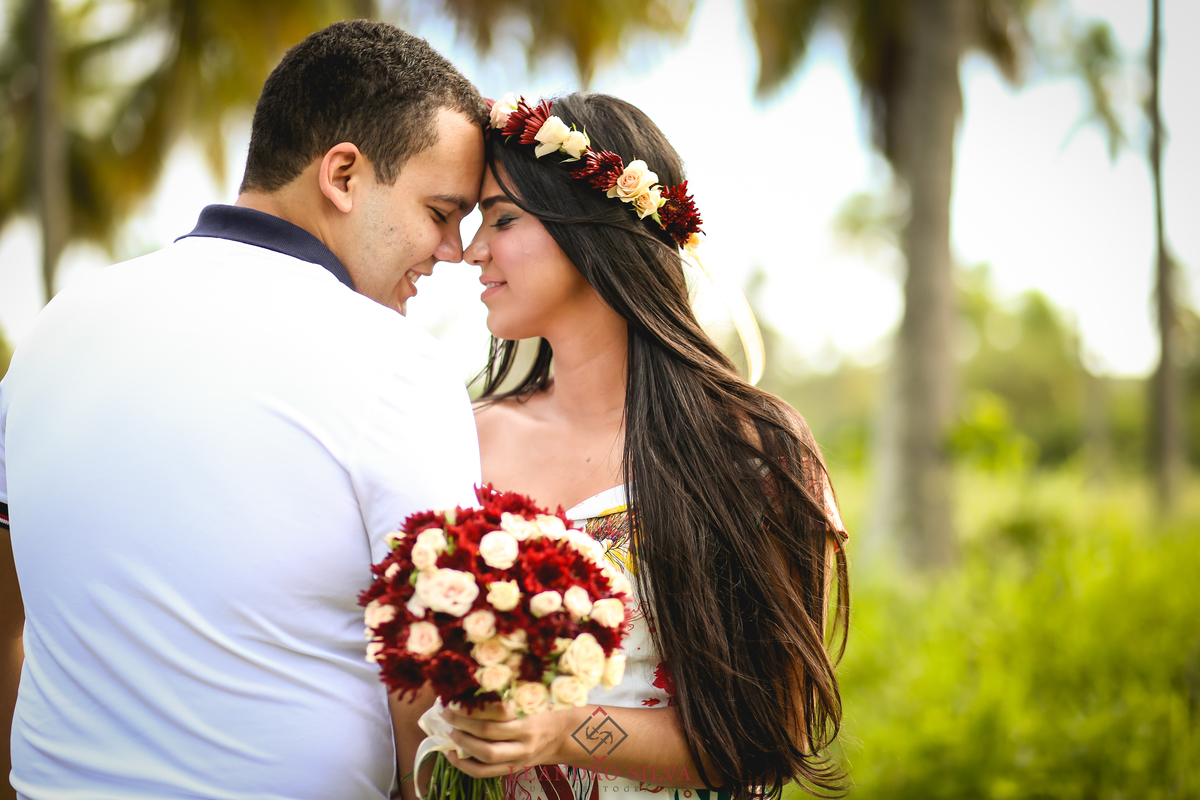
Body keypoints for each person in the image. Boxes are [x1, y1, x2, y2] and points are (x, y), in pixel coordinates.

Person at [0, 20, 487, 799]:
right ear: (343, 175)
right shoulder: (393, 363)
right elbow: (441, 679)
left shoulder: (57, 323)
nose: (456, 249)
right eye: (441, 211)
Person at [393, 93, 851, 800]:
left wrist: (563, 730)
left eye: (505, 218)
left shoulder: (753, 452)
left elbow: (767, 736)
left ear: (596, 228)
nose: (472, 249)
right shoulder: (461, 436)